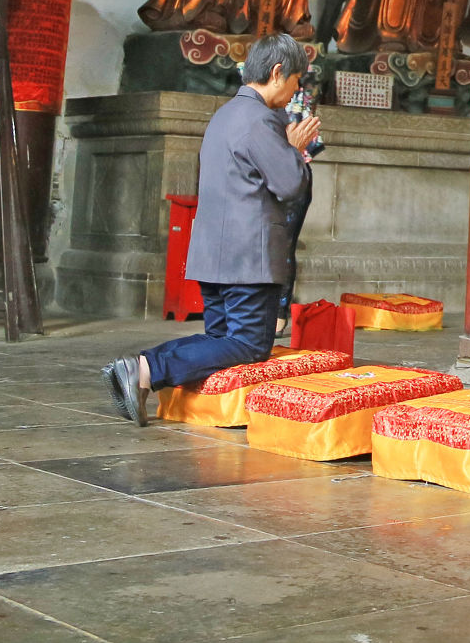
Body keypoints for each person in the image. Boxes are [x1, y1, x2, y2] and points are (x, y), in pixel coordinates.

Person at [103, 33, 320, 426]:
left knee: (220, 339)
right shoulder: (258, 122)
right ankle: (144, 368)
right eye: (295, 81)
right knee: (247, 344)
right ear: (276, 72)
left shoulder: (225, 115)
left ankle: (140, 371)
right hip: (248, 260)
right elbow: (289, 186)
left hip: (214, 256)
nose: (295, 91)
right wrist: (292, 151)